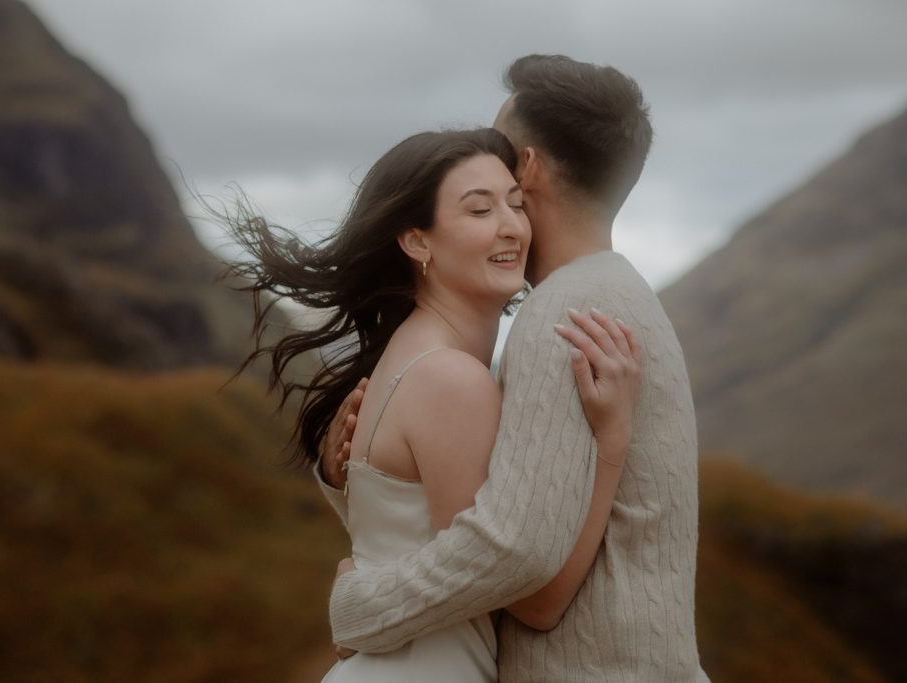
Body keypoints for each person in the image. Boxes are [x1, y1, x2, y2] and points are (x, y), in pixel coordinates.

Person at [320, 55, 708, 682]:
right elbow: (484, 538)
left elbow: (520, 568)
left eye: (503, 152)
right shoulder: (610, 293)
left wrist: (360, 604)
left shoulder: (569, 310)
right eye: (478, 208)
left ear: (525, 169)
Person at [226, 127, 642, 681]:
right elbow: (535, 604)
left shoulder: (412, 358)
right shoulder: (452, 380)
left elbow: (407, 531)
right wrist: (612, 437)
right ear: (417, 242)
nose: (511, 227)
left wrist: (361, 586)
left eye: (516, 204)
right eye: (478, 210)